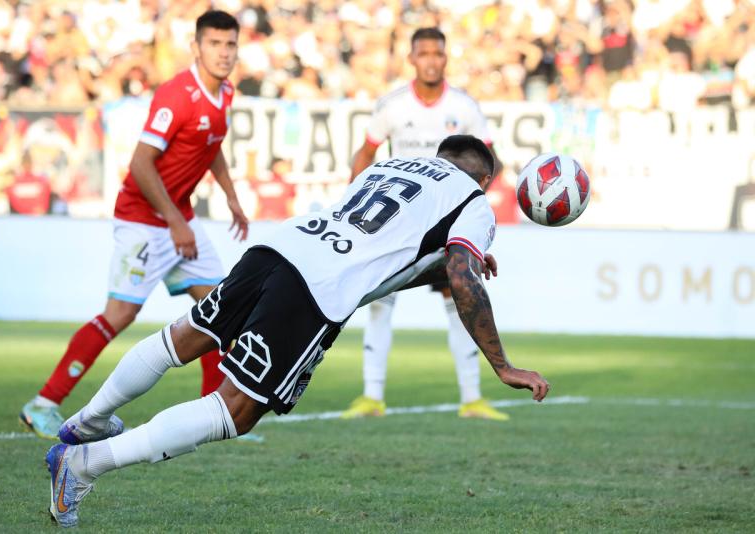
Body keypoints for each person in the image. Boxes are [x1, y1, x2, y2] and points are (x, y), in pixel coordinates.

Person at [44, 135, 551, 527]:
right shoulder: (474, 201)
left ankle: (87, 421)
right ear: (484, 179)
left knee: (184, 337)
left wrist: (441, 266)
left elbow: (389, 250)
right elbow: (461, 277)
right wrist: (502, 365)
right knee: (236, 410)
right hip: (318, 288)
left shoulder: (388, 167)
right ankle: (85, 464)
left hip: (283, 244)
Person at [19, 10, 249, 440]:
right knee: (120, 315)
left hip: (179, 217)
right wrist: (176, 221)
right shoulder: (176, 95)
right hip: (143, 219)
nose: (223, 52)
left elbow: (211, 144)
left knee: (223, 309)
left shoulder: (225, 93)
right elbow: (141, 164)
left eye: (230, 44)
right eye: (215, 44)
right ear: (196, 47)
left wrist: (231, 196)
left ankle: (214, 415)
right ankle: (43, 403)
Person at [342, 27, 509, 421]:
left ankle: (472, 399)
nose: (431, 60)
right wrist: (354, 199)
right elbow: (365, 152)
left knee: (458, 296)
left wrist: (469, 209)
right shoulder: (393, 106)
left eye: (438, 53)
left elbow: (492, 162)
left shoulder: (464, 107)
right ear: (412, 59)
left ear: (445, 58)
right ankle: (372, 397)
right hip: (399, 221)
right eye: (424, 53)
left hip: (446, 224)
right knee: (380, 301)